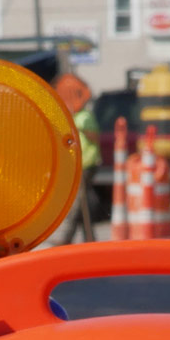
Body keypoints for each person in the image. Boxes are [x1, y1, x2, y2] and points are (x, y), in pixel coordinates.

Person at [45, 106, 102, 247]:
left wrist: (81, 127)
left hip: (86, 164)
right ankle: (89, 238)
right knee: (81, 203)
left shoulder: (85, 117)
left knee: (75, 202)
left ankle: (66, 238)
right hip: (79, 165)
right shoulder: (76, 117)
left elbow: (94, 137)